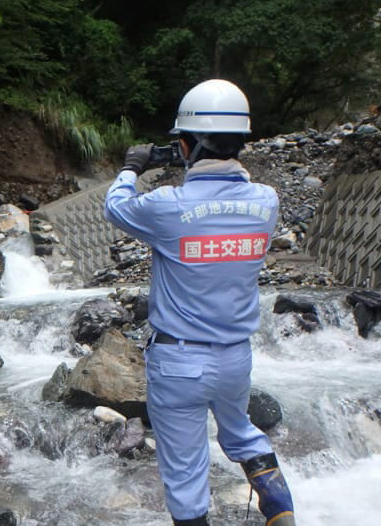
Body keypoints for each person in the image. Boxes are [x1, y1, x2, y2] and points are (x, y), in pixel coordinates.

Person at [104, 80, 295, 526]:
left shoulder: (167, 205)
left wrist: (133, 167)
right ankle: (283, 516)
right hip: (235, 358)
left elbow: (116, 208)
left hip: (178, 363)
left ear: (186, 145)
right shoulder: (266, 202)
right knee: (243, 436)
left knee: (187, 478)